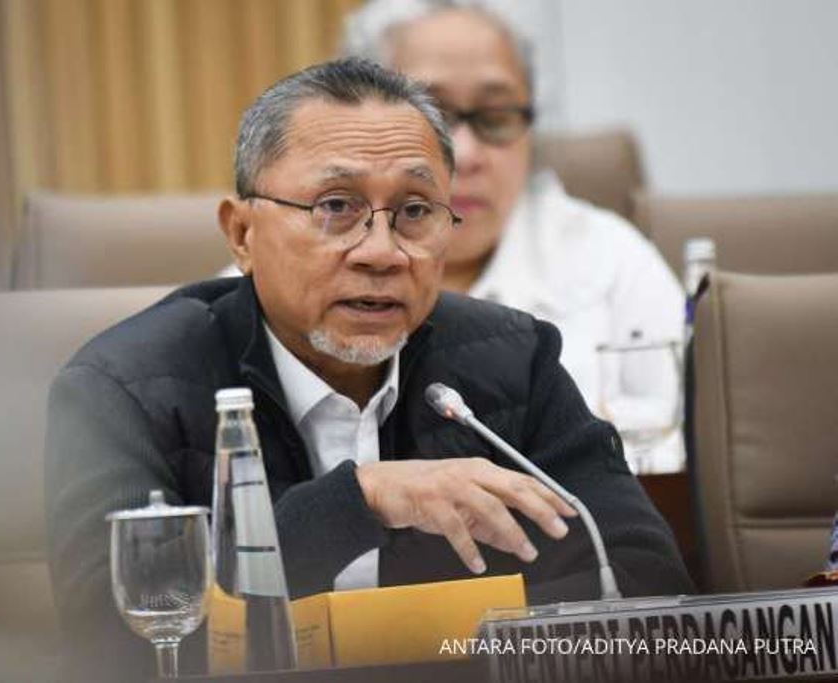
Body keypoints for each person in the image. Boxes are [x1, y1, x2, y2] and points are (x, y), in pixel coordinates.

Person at [45, 58, 691, 679]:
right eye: (335, 206)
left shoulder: (512, 360)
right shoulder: (123, 390)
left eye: (415, 211)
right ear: (242, 234)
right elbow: (119, 645)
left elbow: (644, 584)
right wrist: (358, 500)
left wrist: (436, 649)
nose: (382, 253)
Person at [343, 0, 686, 472]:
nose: (466, 154)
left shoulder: (611, 261)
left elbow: (692, 443)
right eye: (431, 115)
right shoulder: (294, 266)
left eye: (496, 115)